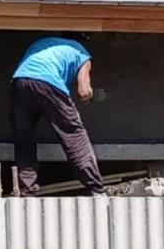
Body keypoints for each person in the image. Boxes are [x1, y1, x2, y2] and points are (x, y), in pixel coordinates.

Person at [9, 33, 104, 196]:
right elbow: (83, 91)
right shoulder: (82, 53)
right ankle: (96, 189)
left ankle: (27, 190)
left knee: (24, 139)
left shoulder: (41, 42)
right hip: (49, 83)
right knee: (74, 135)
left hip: (20, 81)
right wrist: (89, 95)